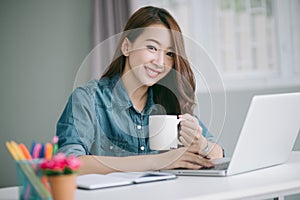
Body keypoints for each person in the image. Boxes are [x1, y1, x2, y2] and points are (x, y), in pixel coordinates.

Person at [56, 6, 223, 175]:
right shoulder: (88, 99)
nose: (160, 62)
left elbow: (218, 154)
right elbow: (70, 163)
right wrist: (156, 161)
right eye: (152, 48)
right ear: (127, 47)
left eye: (169, 54)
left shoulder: (167, 100)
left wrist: (200, 143)